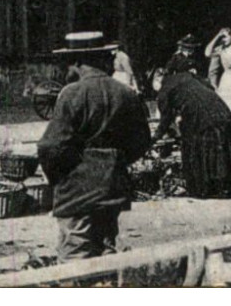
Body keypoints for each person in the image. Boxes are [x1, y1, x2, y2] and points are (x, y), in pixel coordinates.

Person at [37, 32, 152, 260]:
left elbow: (50, 146)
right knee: (106, 249)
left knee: (75, 252)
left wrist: (58, 175)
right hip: (112, 184)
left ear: (78, 63)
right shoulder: (126, 93)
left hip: (77, 187)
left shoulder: (71, 94)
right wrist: (116, 160)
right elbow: (141, 140)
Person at [154, 51, 231, 198]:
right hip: (222, 112)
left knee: (196, 148)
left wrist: (155, 137)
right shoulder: (193, 78)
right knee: (223, 149)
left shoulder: (166, 86)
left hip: (202, 118)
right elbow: (209, 89)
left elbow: (166, 118)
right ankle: (227, 186)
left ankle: (202, 189)